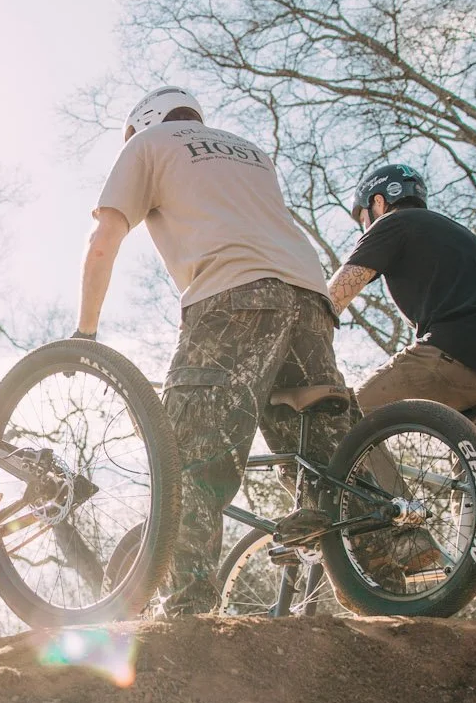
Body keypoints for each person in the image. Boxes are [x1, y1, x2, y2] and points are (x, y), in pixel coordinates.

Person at [75, 85, 356, 616]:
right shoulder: (249, 151)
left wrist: (84, 335)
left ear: (144, 123)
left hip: (234, 300)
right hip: (311, 298)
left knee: (189, 456)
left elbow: (103, 242)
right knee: (325, 454)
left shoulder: (148, 143)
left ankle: (189, 607)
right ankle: (393, 564)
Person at [327, 162, 476, 468]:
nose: (365, 226)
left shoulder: (394, 223)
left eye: (363, 218)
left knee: (348, 422)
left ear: (378, 201)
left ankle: (386, 512)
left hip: (459, 355)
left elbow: (334, 296)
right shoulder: (456, 233)